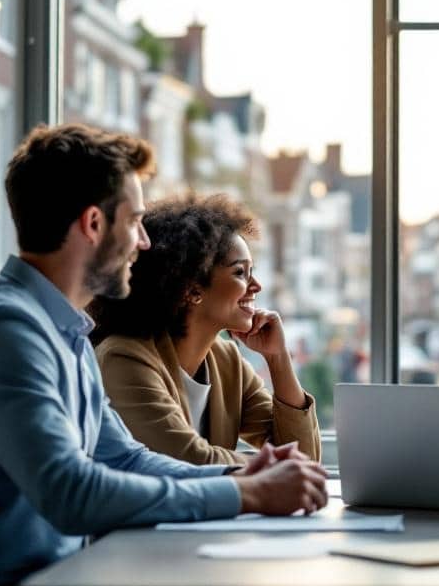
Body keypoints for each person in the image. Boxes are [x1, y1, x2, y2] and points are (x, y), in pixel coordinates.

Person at [0, 124, 328, 586]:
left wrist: (238, 474)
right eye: (135, 222)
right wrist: (245, 493)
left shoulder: (63, 329)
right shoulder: (6, 332)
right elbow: (72, 494)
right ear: (93, 225)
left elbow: (125, 458)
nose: (145, 243)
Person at [87, 196, 320, 465]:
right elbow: (187, 460)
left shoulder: (227, 362)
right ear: (193, 289)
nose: (256, 286)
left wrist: (278, 358)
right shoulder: (124, 358)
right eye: (240, 272)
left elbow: (305, 458)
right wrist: (281, 464)